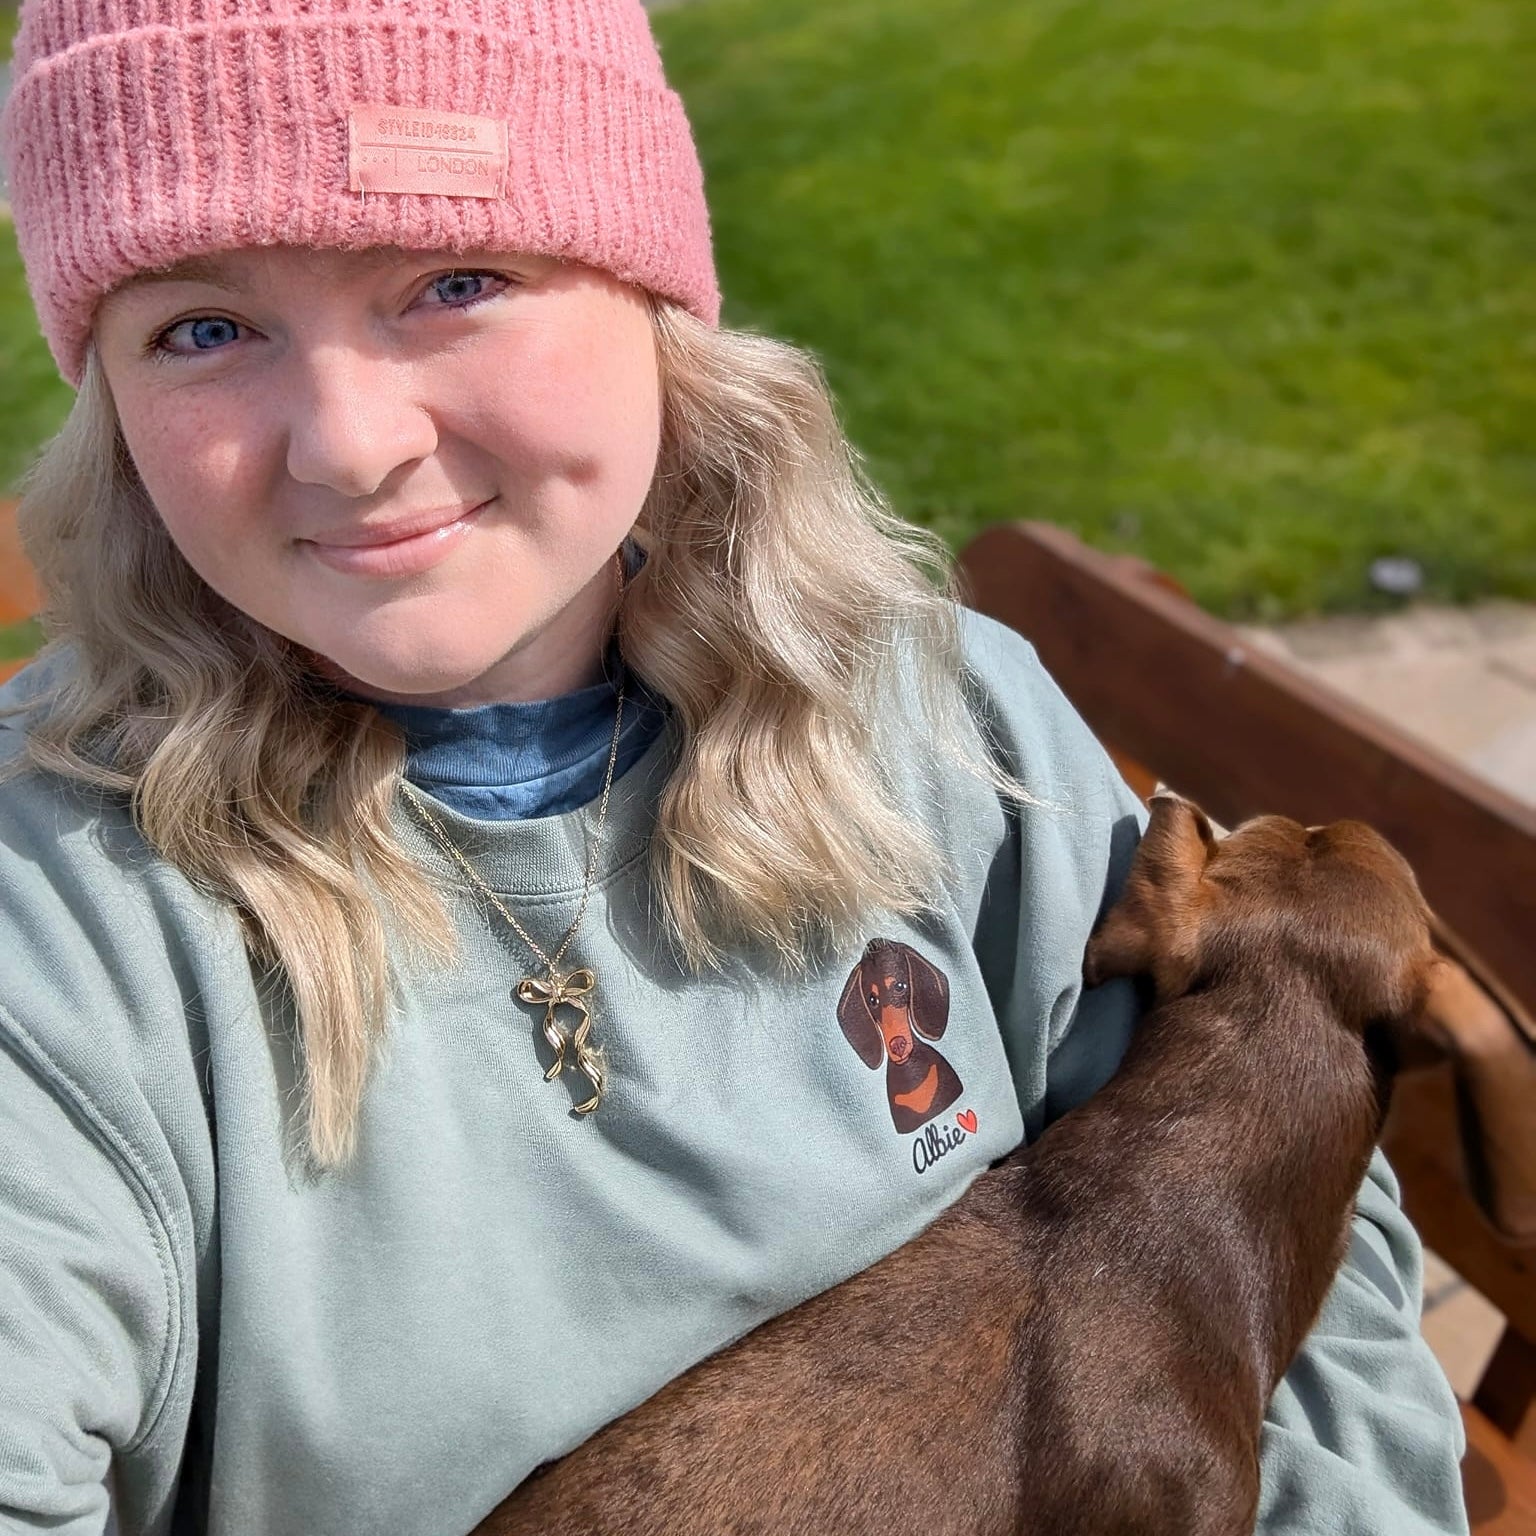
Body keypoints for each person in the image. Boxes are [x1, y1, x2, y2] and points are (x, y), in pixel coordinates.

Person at [0, 2, 1467, 1533]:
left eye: (456, 281)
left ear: (652, 295)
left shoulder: (950, 731)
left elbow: (1279, 1221)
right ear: (108, 390)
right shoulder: (54, 935)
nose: (349, 446)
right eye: (205, 329)